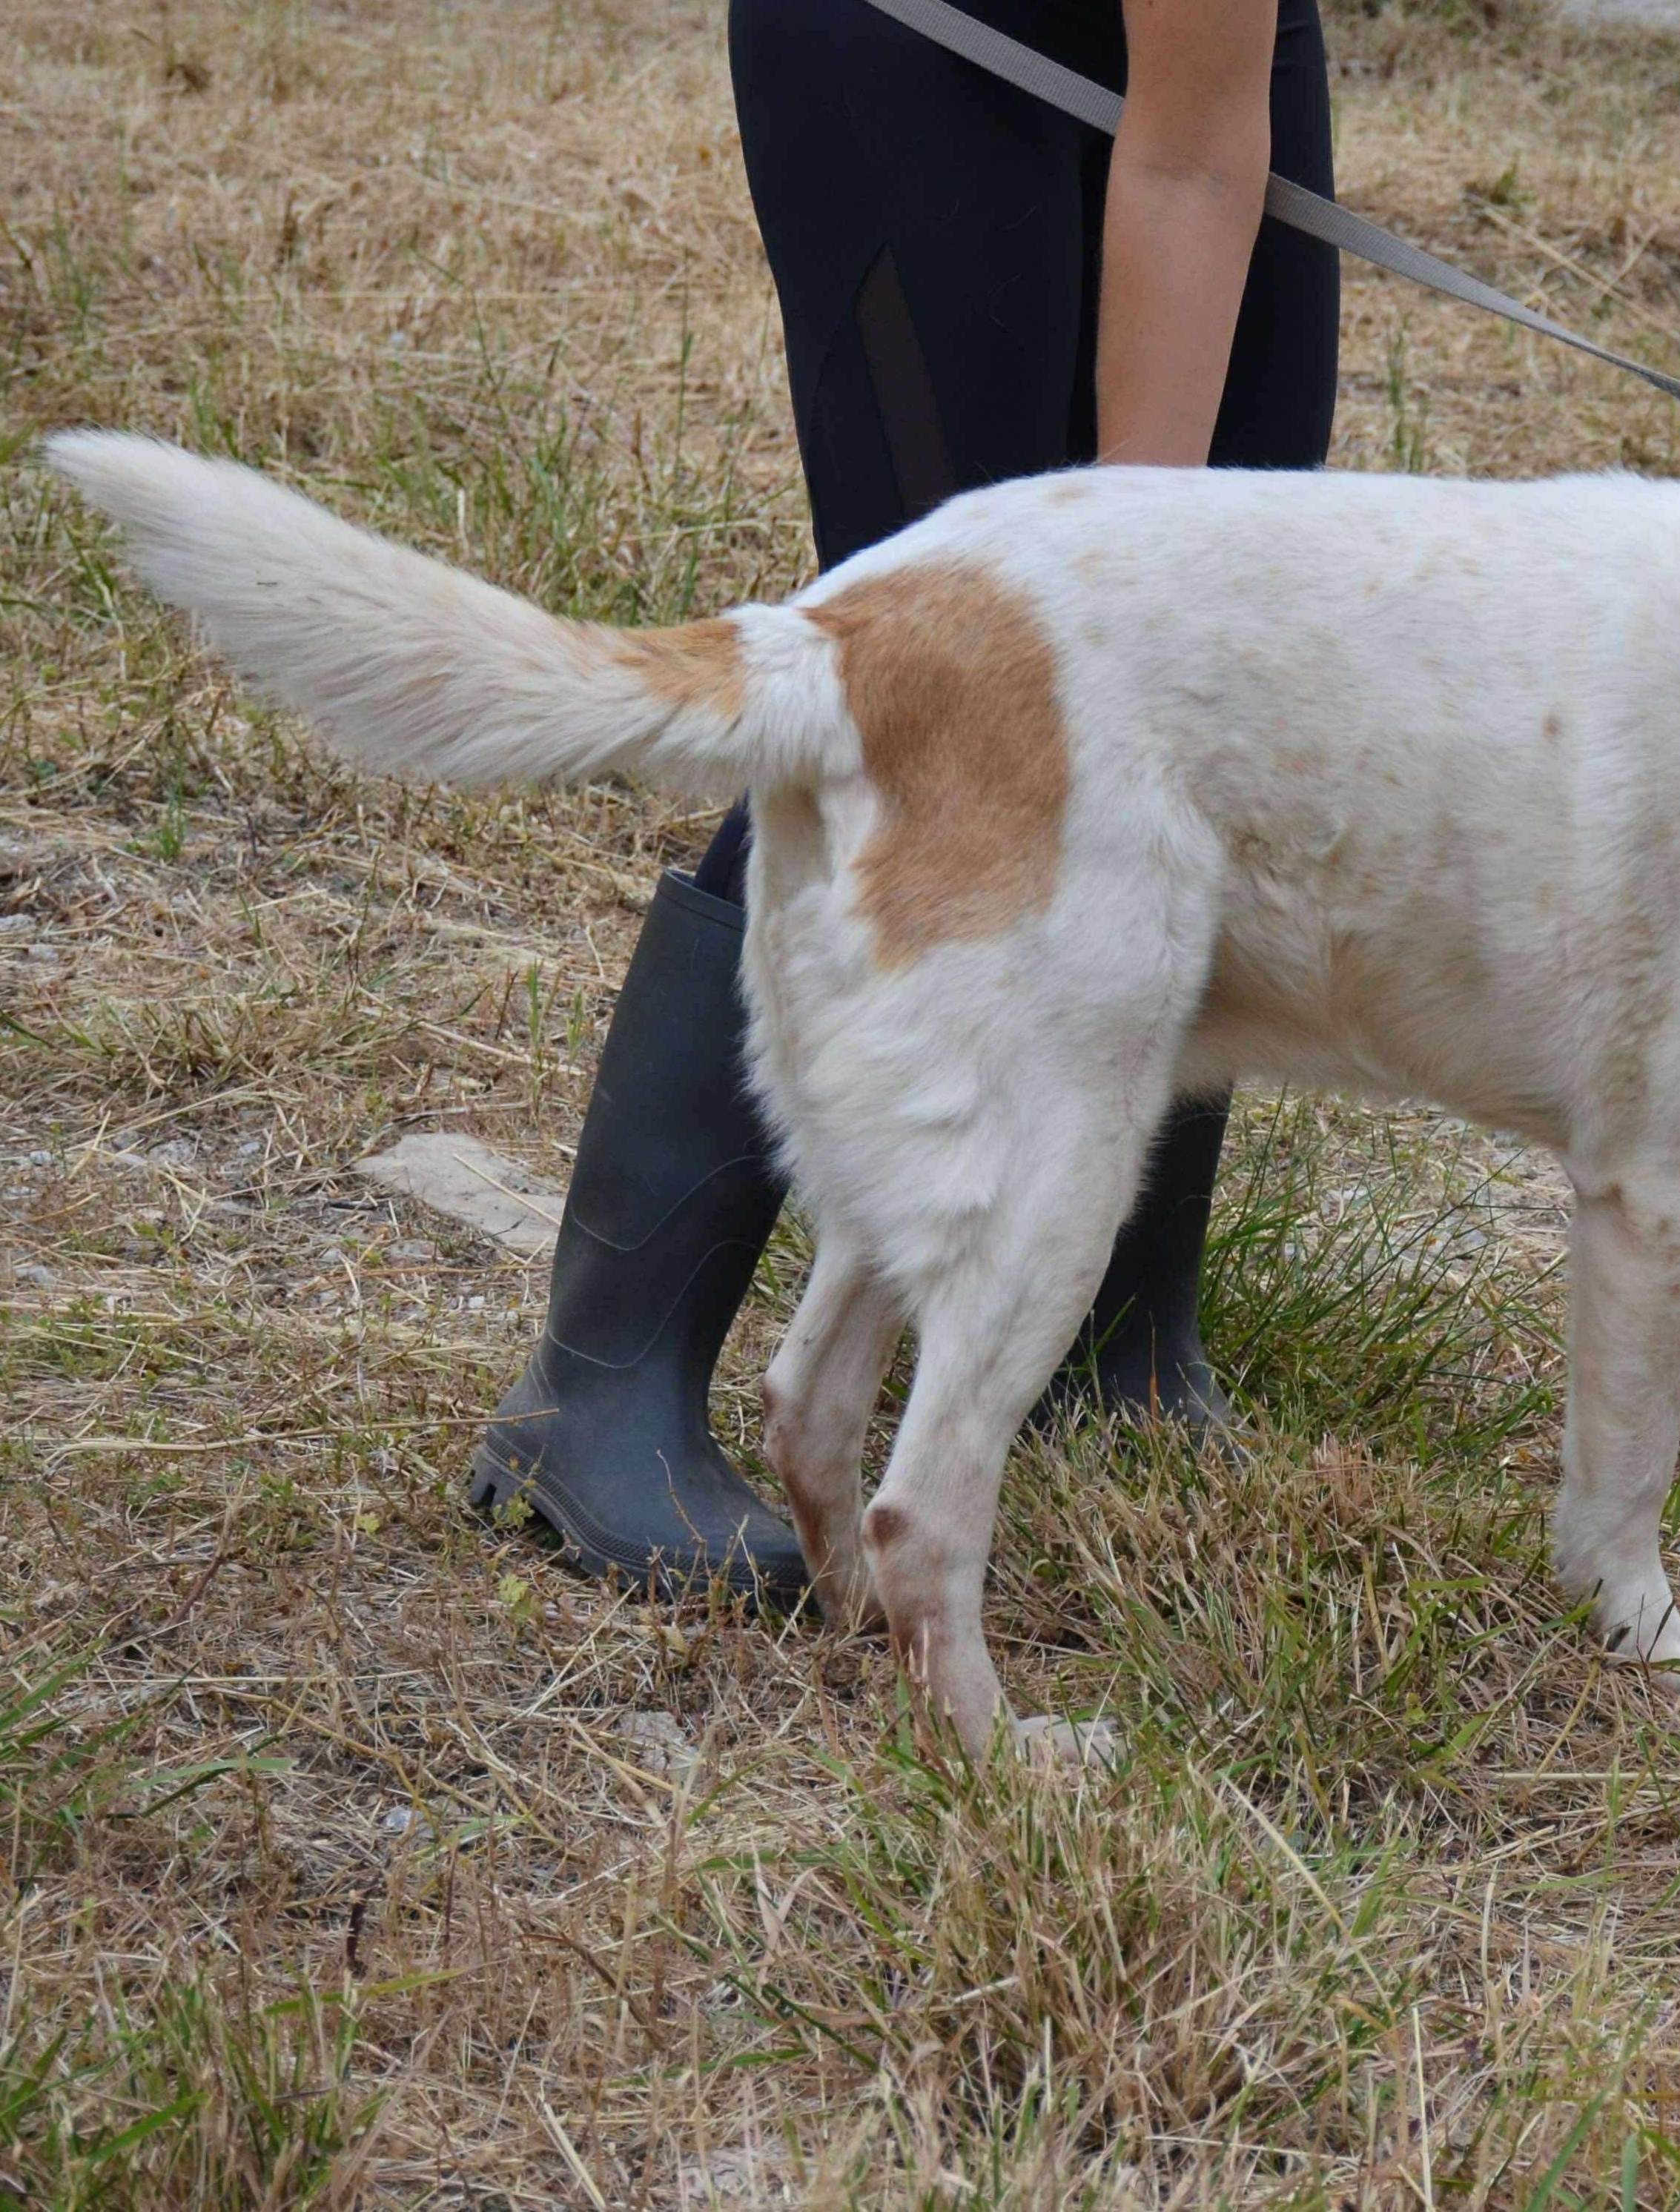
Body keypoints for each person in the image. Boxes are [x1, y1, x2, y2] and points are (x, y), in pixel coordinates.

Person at [469, 0, 1340, 1601]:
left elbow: (1205, 130)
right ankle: (598, 1388)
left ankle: (1114, 1338)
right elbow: (1186, 159)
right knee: (943, 705)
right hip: (928, 64)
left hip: (1210, 69)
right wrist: (1114, 563)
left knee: (1208, 690)